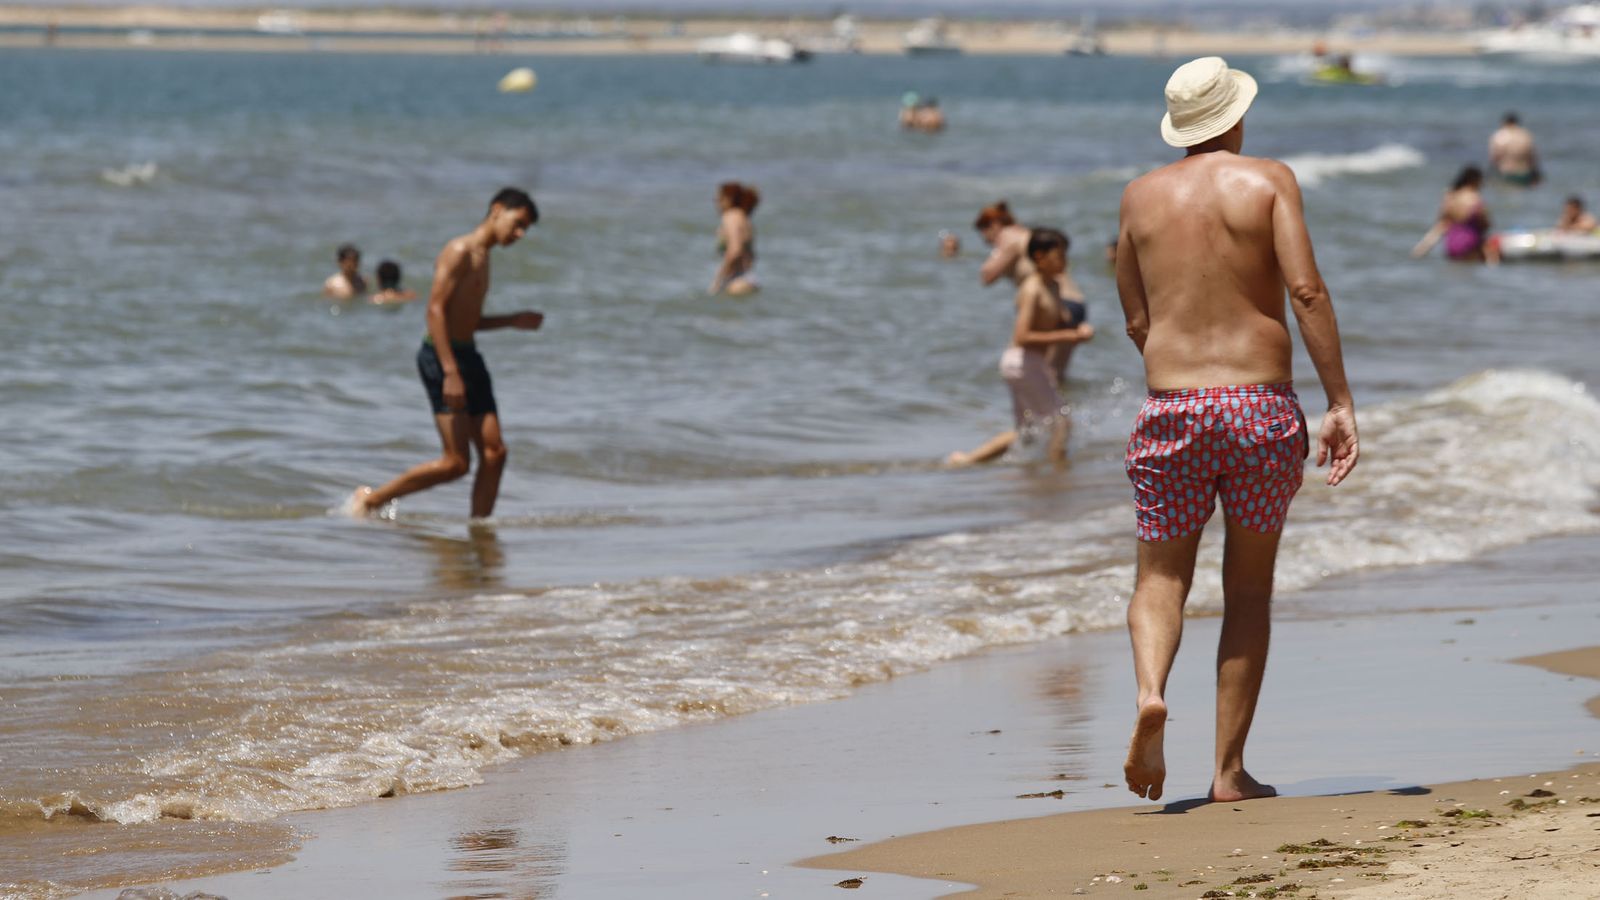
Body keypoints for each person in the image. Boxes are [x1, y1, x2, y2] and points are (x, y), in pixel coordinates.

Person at [1115, 57, 1359, 804]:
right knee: (1248, 591)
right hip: (1258, 409)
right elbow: (1306, 291)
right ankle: (1226, 773)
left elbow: (1135, 317)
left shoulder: (1138, 198)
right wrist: (1339, 400)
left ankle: (1151, 692)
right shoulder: (1271, 180)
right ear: (1235, 115)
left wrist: (1180, 381)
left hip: (1173, 409)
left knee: (1161, 576)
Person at [348, 188, 544, 520]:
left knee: (495, 454)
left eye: (525, 228)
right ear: (497, 210)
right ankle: (371, 500)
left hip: (468, 355)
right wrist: (450, 372)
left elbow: (466, 322)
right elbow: (435, 312)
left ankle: (479, 534)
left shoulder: (484, 256)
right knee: (456, 463)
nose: (519, 233)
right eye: (518, 223)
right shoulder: (460, 250)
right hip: (442, 359)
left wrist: (512, 320)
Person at [947, 228, 1095, 467]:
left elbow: (1060, 319)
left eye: (1066, 255)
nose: (1065, 262)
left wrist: (1080, 329)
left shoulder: (1054, 286)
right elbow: (1022, 336)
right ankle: (1060, 478)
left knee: (1026, 432)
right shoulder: (1032, 289)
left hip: (1026, 363)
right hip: (1022, 361)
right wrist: (1069, 335)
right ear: (1039, 257)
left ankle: (966, 460)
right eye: (1060, 256)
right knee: (1061, 423)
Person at [974, 202, 1091, 383]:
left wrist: (1000, 253)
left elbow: (987, 276)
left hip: (1055, 304)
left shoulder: (1009, 235)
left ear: (994, 225)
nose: (986, 241)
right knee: (1056, 376)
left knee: (1042, 375)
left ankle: (1049, 411)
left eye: (984, 233)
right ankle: (1066, 408)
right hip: (1075, 303)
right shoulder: (1028, 234)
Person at [1411, 166, 1501, 264]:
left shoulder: (1450, 196)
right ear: (1474, 180)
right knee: (1490, 250)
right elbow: (1486, 224)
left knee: (1440, 229)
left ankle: (1415, 256)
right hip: (1470, 243)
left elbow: (1441, 219)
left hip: (1452, 244)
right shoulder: (1474, 198)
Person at [711, 182, 759, 296]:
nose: (715, 201)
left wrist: (718, 281)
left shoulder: (731, 217)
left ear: (728, 199)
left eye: (719, 197)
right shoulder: (744, 218)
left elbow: (735, 250)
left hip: (736, 280)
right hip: (749, 278)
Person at [1488, 112, 1540, 187]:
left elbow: (1494, 158)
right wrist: (1536, 173)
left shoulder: (1498, 136)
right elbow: (1532, 157)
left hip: (1505, 173)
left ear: (1504, 123)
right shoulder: (1525, 135)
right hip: (1524, 174)